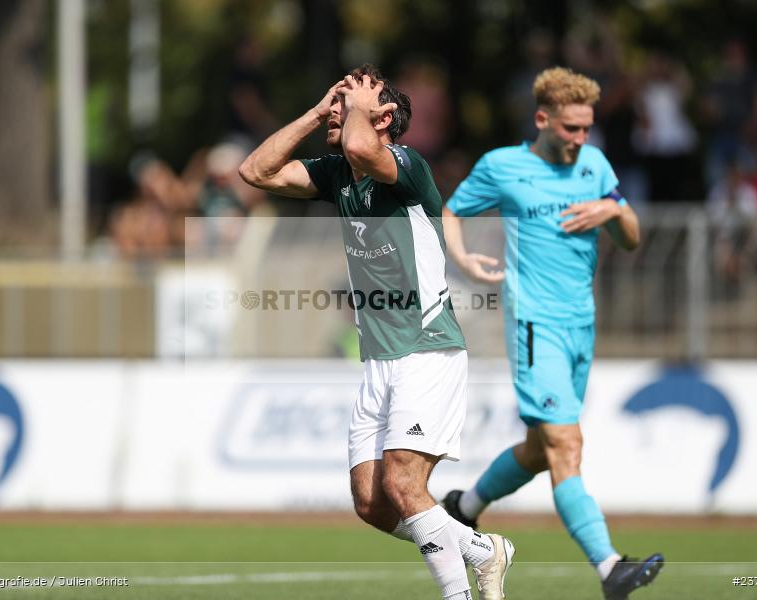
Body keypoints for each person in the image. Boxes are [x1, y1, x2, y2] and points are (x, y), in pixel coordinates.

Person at [239, 64, 514, 600]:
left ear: (385, 117)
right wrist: (319, 112)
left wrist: (354, 113)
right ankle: (485, 551)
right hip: (379, 361)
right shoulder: (339, 173)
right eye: (335, 101)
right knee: (371, 502)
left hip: (427, 350)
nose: (336, 108)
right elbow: (257, 170)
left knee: (404, 484)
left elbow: (366, 152)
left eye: (351, 99)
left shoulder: (406, 166)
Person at [441, 67, 664, 600]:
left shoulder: (594, 164)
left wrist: (613, 210)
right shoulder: (503, 166)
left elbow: (632, 237)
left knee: (541, 449)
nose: (580, 140)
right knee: (566, 444)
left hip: (582, 325)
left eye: (587, 129)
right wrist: (465, 258)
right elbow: (450, 210)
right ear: (543, 119)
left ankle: (463, 509)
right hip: (534, 325)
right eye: (570, 129)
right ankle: (610, 569)